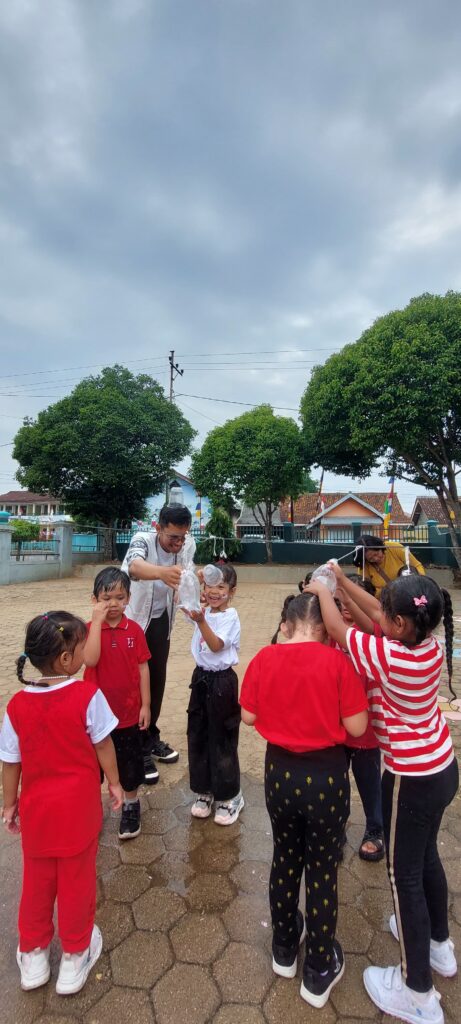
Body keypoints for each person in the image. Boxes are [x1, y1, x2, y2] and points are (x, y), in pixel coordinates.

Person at [307, 566, 458, 1024]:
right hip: (442, 767)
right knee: (426, 857)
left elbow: (339, 629)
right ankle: (439, 945)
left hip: (410, 778)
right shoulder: (428, 644)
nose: (379, 615)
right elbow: (376, 612)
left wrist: (321, 590)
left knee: (403, 877)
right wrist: (341, 580)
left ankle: (417, 991)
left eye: (388, 614)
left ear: (399, 625)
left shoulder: (392, 658)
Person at [240, 593, 368, 1009]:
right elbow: (357, 726)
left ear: (285, 625)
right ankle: (318, 970)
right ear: (327, 631)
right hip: (326, 779)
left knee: (285, 856)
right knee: (322, 868)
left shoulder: (265, 658)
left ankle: (283, 950)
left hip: (279, 774)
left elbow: (248, 717)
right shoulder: (338, 664)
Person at [0, 612, 123, 996]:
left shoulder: (16, 706)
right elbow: (104, 744)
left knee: (37, 883)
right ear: (67, 659)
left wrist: (9, 805)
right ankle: (74, 954)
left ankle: (33, 954)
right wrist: (115, 783)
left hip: (37, 816)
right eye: (82, 646)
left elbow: (10, 762)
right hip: (78, 815)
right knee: (76, 883)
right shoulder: (87, 696)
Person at [121, 503, 196, 781]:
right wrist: (162, 573)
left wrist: (190, 587)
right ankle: (136, 747)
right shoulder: (142, 540)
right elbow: (134, 567)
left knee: (156, 682)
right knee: (134, 685)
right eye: (172, 537)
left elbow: (188, 574)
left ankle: (151, 737)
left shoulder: (187, 545)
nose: (178, 543)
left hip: (161, 621)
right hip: (133, 622)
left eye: (182, 536)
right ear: (158, 528)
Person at [83, 568, 151, 840]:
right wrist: (96, 623)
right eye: (106, 598)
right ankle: (91, 810)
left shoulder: (134, 630)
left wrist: (146, 705)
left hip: (127, 713)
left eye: (119, 598)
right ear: (94, 600)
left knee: (129, 763)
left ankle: (131, 805)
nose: (113, 604)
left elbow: (143, 668)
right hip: (95, 718)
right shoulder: (87, 630)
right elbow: (90, 660)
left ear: (128, 599)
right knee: (93, 767)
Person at [185, 564, 244, 825]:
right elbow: (180, 600)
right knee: (198, 734)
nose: (214, 592)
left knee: (222, 738)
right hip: (200, 678)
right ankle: (204, 790)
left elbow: (217, 645)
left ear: (232, 591)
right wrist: (194, 578)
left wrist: (201, 621)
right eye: (210, 585)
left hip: (222, 681)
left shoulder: (230, 617)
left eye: (221, 586)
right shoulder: (202, 610)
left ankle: (230, 796)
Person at [337, 576, 384, 862]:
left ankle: (375, 828)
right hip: (334, 727)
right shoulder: (330, 631)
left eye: (354, 598)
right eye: (341, 599)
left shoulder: (376, 634)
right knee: (335, 782)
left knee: (369, 782)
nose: (346, 605)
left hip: (367, 728)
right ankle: (336, 827)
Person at [353, 534, 425, 597]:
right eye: (370, 558)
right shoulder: (364, 563)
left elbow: (417, 566)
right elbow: (365, 589)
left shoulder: (394, 547)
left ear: (380, 547)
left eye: (376, 554)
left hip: (408, 593)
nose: (376, 559)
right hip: (383, 600)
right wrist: (388, 591)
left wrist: (417, 582)